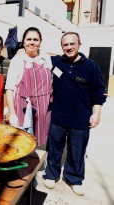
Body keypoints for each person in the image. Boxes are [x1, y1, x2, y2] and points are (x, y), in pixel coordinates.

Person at [43, 32, 107, 196]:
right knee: (55, 149)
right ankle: (51, 174)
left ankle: (74, 178)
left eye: (72, 44)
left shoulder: (91, 66)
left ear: (79, 44)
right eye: (65, 44)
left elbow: (98, 91)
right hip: (58, 116)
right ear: (62, 46)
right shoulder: (56, 62)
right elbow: (37, 57)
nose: (69, 47)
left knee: (77, 151)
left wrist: (96, 113)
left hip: (80, 118)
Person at [5, 27, 53, 147]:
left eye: (35, 39)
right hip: (23, 107)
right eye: (29, 39)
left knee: (38, 141)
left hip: (43, 107)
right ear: (24, 42)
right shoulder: (16, 61)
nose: (32, 42)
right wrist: (12, 113)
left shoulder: (46, 59)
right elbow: (9, 88)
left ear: (40, 41)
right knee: (20, 142)